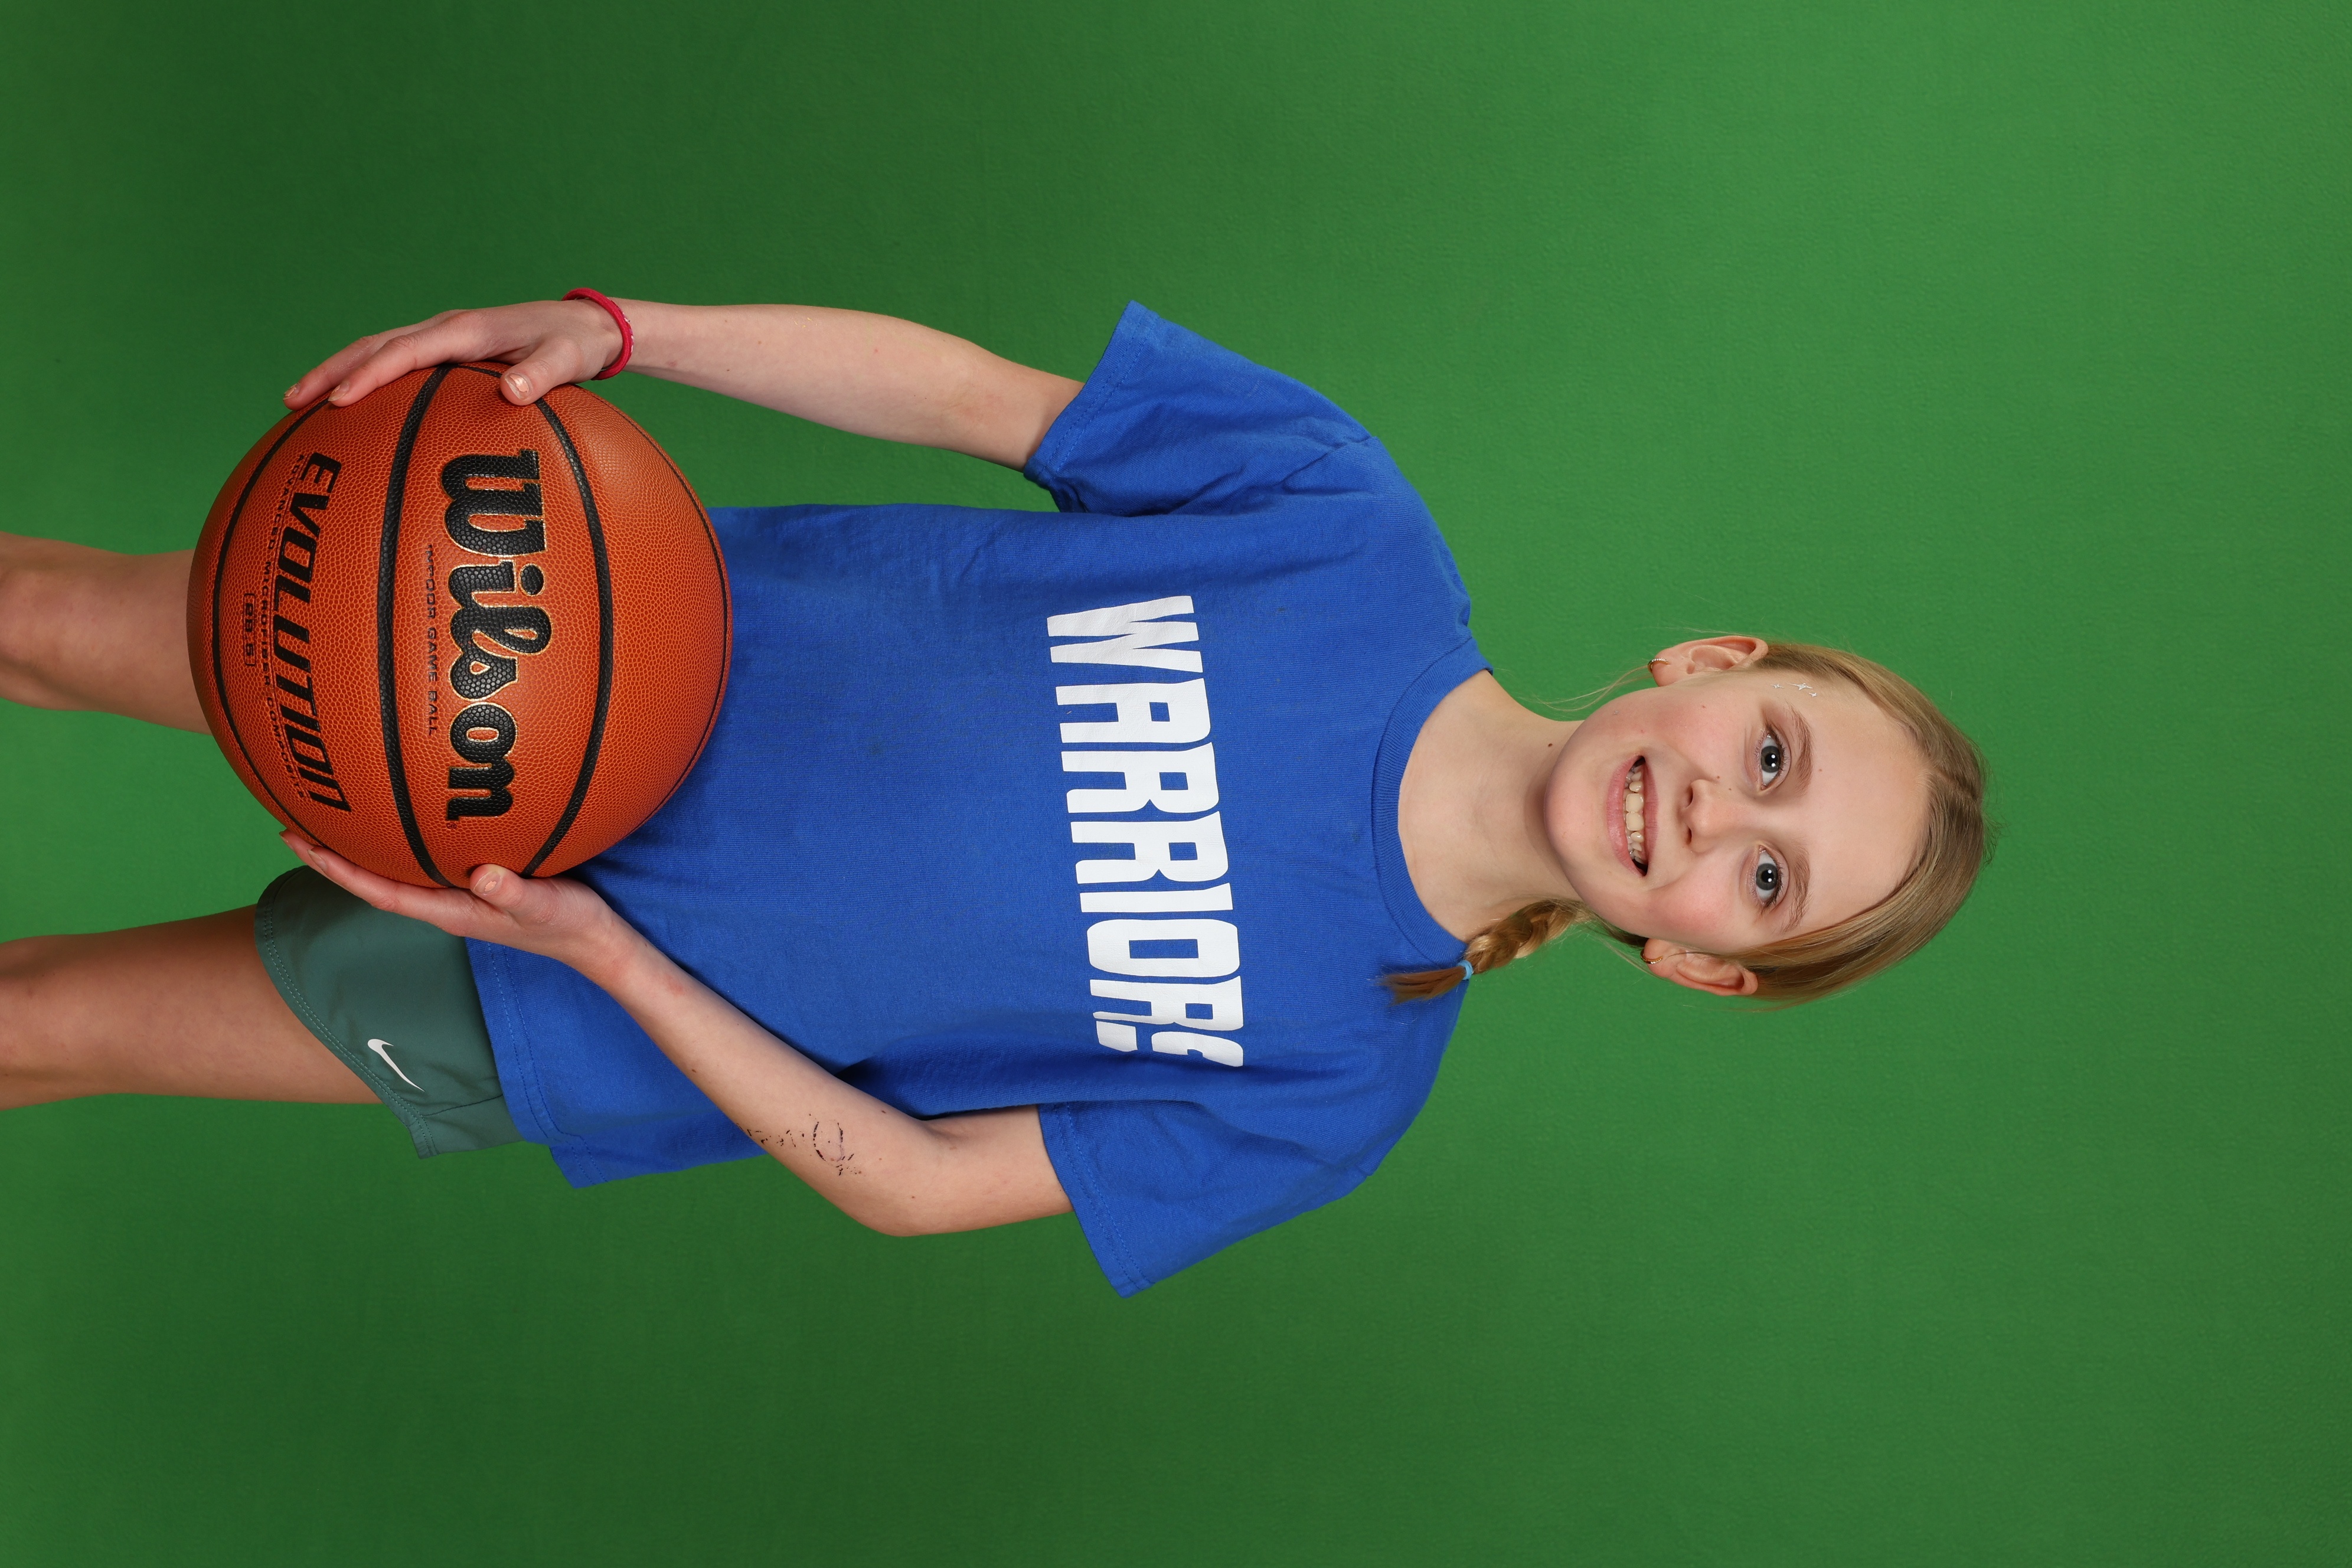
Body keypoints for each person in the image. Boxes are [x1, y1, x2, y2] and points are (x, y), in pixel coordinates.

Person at [0, 296, 1990, 1293]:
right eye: (1775, 756)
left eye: (1768, 882)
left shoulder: (1335, 1089)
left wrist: (607, 959)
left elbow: (928, 1189)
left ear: (1702, 966)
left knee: (36, 1023)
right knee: (33, 616)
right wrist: (627, 333)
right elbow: (963, 396)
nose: (1717, 818)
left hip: (551, 996)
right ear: (1715, 662)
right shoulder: (1341, 524)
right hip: (518, 645)